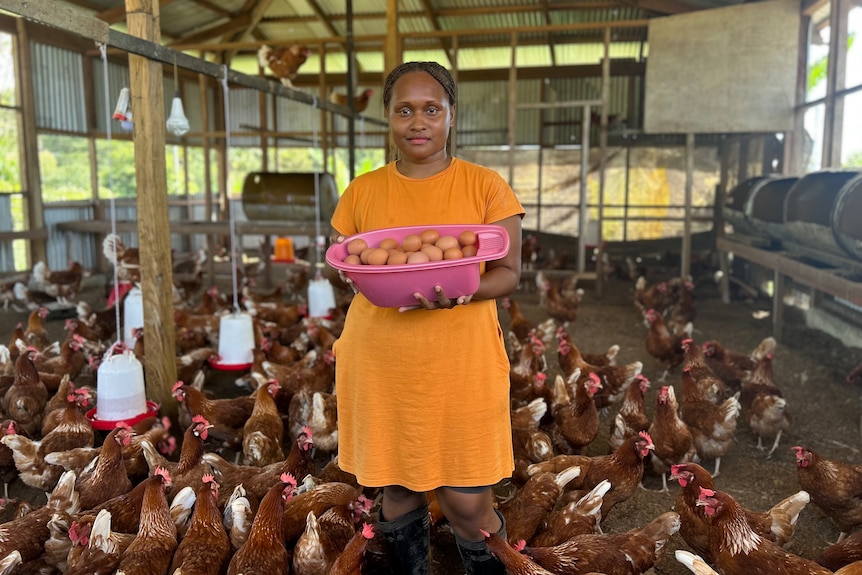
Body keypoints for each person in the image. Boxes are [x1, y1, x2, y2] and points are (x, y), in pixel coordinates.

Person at [328, 61, 524, 575]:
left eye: (431, 110)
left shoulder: (486, 186)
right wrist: (364, 276)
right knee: (397, 485)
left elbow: (509, 273)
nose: (418, 122)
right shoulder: (363, 191)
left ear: (451, 116)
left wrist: (463, 291)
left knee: (467, 502)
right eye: (405, 110)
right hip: (381, 355)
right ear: (389, 118)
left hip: (460, 358)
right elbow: (350, 264)